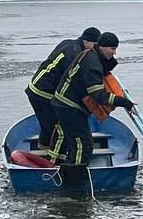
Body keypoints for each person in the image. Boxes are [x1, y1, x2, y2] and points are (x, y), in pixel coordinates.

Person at [49, 32, 134, 170]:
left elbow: (102, 71)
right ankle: (75, 178)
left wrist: (109, 61)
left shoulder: (91, 55)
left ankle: (69, 169)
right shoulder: (92, 63)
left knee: (78, 141)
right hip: (68, 106)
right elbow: (98, 95)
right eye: (112, 49)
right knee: (82, 144)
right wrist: (123, 101)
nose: (115, 53)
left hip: (66, 103)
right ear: (102, 46)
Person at [26, 28, 101, 149]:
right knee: (59, 126)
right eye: (95, 45)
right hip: (44, 92)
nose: (95, 50)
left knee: (48, 125)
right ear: (86, 41)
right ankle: (52, 157)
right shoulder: (76, 55)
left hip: (35, 85)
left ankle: (43, 147)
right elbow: (73, 81)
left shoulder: (68, 43)